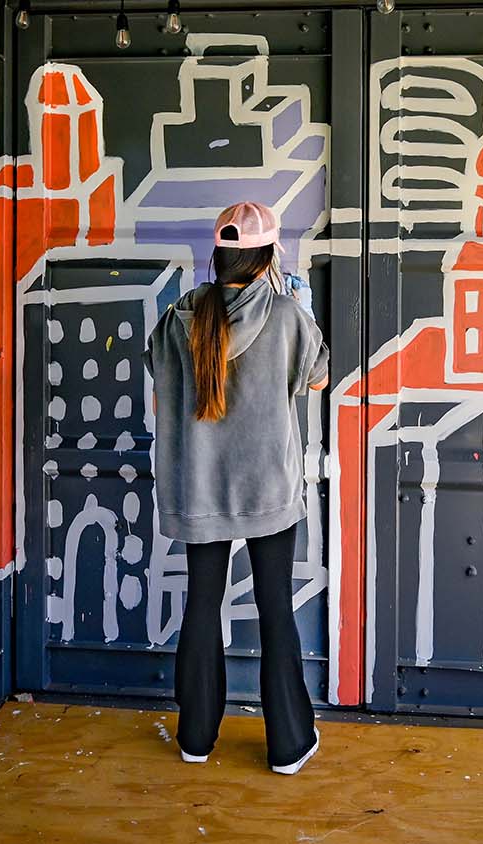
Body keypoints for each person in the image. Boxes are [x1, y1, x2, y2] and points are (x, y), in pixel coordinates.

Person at [142, 201, 329, 775]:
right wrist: (297, 304)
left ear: (216, 255)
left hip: (199, 489)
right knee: (276, 610)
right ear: (270, 255)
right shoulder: (286, 314)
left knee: (202, 605)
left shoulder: (179, 318)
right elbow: (316, 378)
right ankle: (289, 746)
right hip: (267, 489)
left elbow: (160, 378)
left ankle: (196, 738)